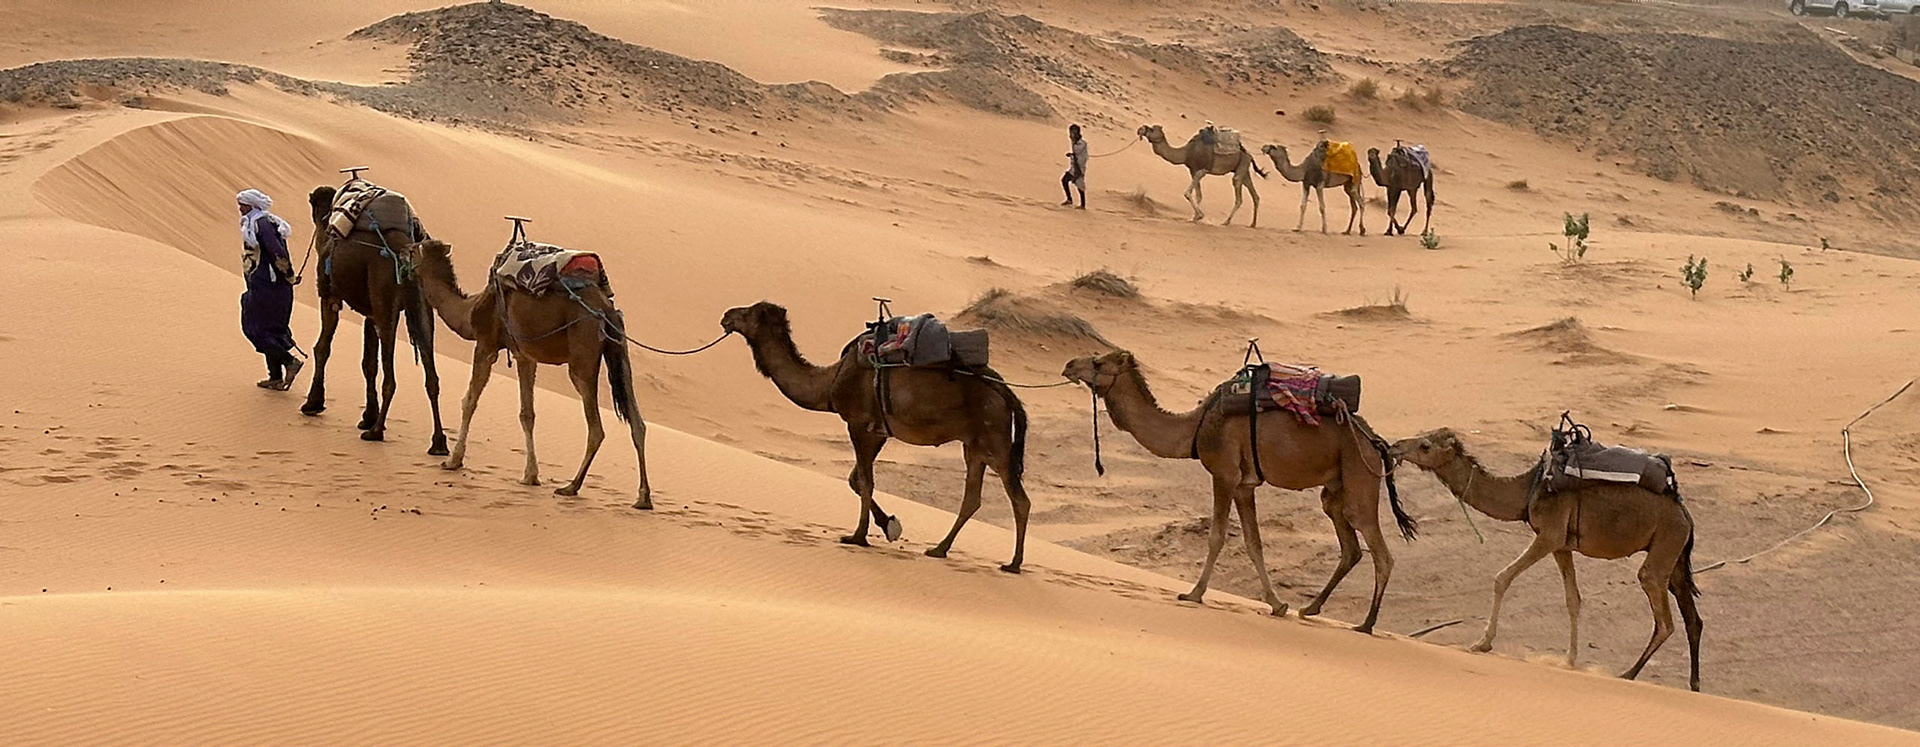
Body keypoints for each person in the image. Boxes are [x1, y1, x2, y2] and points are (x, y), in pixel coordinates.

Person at [236, 188, 302, 391]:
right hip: (262, 285)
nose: (240, 208)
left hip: (271, 286)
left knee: (255, 328)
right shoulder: (256, 223)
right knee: (267, 328)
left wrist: (288, 275)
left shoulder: (262, 225)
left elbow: (277, 252)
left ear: (253, 205)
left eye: (243, 204)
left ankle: (289, 361)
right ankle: (275, 376)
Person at [1060, 124, 1088, 209]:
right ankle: (1069, 199)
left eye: (1073, 133)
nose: (1071, 135)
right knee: (1065, 180)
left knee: (1080, 185)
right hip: (1074, 166)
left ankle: (1082, 204)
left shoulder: (1081, 143)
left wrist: (1072, 153)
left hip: (1079, 167)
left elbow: (1077, 151)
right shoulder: (1076, 142)